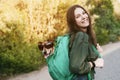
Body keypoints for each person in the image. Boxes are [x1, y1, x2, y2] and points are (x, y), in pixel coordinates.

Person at [66, 4, 104, 80]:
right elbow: (76, 66)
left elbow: (82, 56)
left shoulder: (82, 35)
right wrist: (94, 64)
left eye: (84, 13)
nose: (83, 17)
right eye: (78, 16)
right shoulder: (81, 36)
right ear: (73, 22)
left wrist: (97, 52)